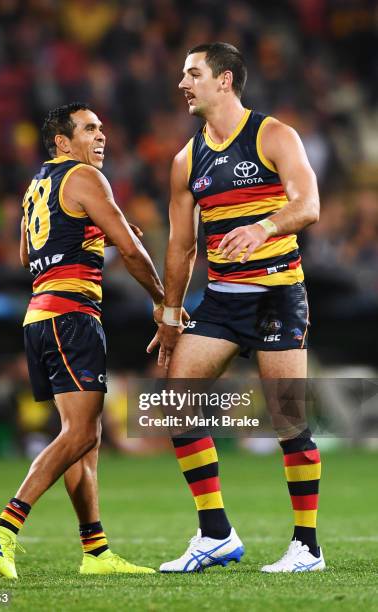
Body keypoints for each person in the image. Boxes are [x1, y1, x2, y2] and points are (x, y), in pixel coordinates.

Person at [148, 43, 324, 573]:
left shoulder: (273, 135)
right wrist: (172, 315)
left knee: (287, 419)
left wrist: (264, 227)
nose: (183, 83)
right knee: (176, 403)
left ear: (224, 80)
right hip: (223, 301)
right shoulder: (186, 160)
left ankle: (307, 547)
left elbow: (309, 205)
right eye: (182, 74)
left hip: (277, 294)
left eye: (193, 73)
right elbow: (182, 246)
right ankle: (215, 534)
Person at [0, 102, 165, 578]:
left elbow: (26, 253)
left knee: (84, 437)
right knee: (81, 432)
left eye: (102, 127)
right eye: (89, 129)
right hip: (72, 316)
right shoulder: (85, 178)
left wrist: (87, 235)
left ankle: (96, 552)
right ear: (63, 141)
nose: (101, 136)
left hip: (39, 316)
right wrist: (164, 302)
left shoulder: (35, 185)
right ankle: (7, 523)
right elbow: (132, 247)